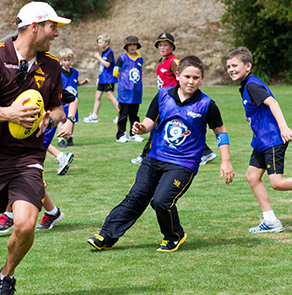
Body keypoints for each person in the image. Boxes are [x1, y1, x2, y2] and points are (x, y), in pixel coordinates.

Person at [0, 1, 70, 295]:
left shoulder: (51, 65)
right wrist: (11, 113)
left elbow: (58, 108)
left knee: (25, 225)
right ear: (34, 27)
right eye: (52, 27)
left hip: (26, 159)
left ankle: (7, 275)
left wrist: (51, 117)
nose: (55, 34)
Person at [88, 56, 234, 252]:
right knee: (136, 196)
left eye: (196, 77)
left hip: (183, 164)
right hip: (154, 158)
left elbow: (221, 132)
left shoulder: (207, 104)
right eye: (187, 76)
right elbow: (150, 121)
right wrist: (141, 129)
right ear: (177, 75)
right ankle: (106, 236)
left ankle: (174, 236)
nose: (191, 81)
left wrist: (226, 161)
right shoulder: (163, 95)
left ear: (202, 79)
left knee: (161, 201)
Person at [226, 47, 292, 233]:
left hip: (272, 139)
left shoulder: (252, 85)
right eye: (228, 66)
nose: (231, 69)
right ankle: (271, 221)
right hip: (261, 140)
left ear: (248, 66)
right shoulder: (246, 85)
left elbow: (273, 102)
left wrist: (284, 127)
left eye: (235, 65)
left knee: (277, 182)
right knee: (252, 177)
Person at [0, 84, 79, 233]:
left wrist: (69, 121)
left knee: (24, 169)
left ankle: (9, 214)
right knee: (29, 173)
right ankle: (53, 212)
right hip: (23, 131)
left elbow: (73, 99)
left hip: (42, 131)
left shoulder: (45, 81)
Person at [130, 33, 216, 164]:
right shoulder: (161, 61)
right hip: (164, 100)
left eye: (165, 45)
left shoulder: (174, 62)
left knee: (159, 128)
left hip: (173, 102)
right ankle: (207, 152)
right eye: (160, 45)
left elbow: (183, 78)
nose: (162, 48)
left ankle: (145, 156)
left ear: (172, 47)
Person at [113, 35, 144, 143]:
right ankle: (120, 134)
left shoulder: (140, 58)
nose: (132, 47)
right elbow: (116, 72)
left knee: (134, 115)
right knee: (123, 114)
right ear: (126, 46)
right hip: (125, 92)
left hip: (136, 91)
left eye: (134, 45)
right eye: (130, 45)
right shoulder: (122, 58)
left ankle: (133, 134)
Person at [57, 47, 89, 147]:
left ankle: (69, 137)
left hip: (73, 101)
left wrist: (82, 83)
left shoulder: (75, 72)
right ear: (61, 60)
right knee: (62, 119)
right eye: (64, 60)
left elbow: (74, 83)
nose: (67, 62)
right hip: (63, 101)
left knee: (72, 119)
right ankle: (61, 139)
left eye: (69, 60)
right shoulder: (59, 72)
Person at [83, 34, 119, 123]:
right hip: (103, 79)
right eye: (98, 42)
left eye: (100, 42)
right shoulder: (103, 53)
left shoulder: (110, 52)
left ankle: (121, 114)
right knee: (97, 96)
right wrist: (99, 78)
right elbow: (102, 67)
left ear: (106, 43)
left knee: (110, 96)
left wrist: (98, 57)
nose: (99, 44)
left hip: (109, 79)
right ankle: (94, 116)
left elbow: (107, 64)